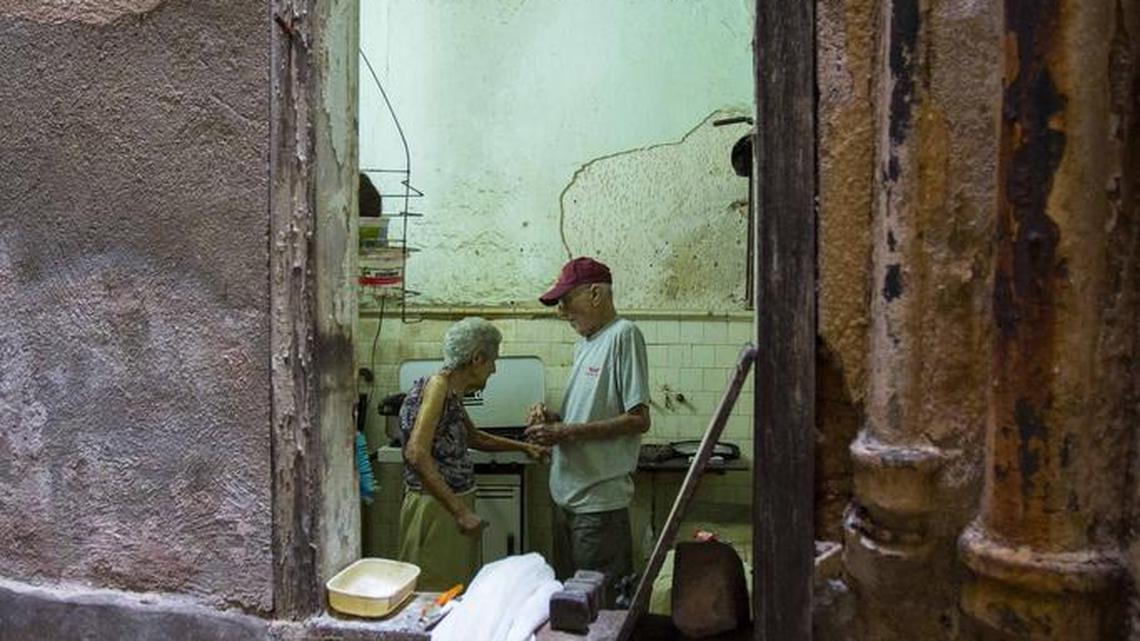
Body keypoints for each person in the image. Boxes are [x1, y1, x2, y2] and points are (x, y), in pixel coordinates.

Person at [524, 257, 651, 607]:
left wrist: (564, 431)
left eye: (566, 301)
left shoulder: (623, 335)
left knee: (600, 606)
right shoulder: (585, 344)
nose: (562, 311)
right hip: (567, 496)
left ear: (595, 294)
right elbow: (587, 413)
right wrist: (553, 419)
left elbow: (638, 419)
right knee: (572, 602)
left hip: (598, 504)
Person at [398, 317, 548, 591]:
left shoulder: (449, 391)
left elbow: (475, 437)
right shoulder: (438, 387)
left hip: (444, 506)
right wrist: (460, 513)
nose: (494, 369)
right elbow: (416, 453)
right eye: (493, 360)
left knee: (454, 588)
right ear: (477, 358)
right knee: (438, 594)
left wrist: (525, 446)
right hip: (437, 509)